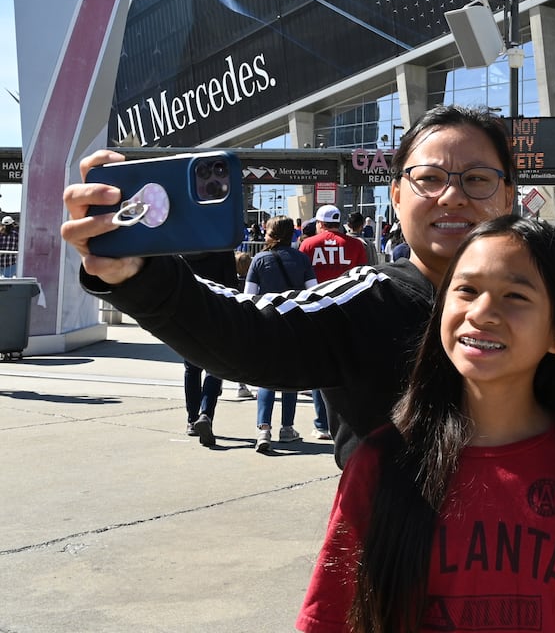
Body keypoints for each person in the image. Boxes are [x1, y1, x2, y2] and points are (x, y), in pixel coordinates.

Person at [61, 105, 516, 467]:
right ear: (396, 196)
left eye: (476, 179)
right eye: (429, 179)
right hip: (400, 572)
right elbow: (251, 335)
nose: (452, 195)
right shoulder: (366, 303)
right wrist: (138, 276)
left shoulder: (552, 305)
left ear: (508, 195)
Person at [295, 216, 555, 633]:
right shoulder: (381, 465)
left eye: (515, 296)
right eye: (466, 290)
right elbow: (330, 619)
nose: (483, 313)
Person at [243, 216, 319, 452]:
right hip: (294, 322)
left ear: (272, 234)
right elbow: (312, 292)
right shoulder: (302, 259)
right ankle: (287, 428)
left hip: (267, 322)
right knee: (290, 377)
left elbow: (248, 295)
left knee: (268, 376)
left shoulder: (259, 259)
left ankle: (263, 427)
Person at [180, 250, 240, 448]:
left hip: (188, 312)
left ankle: (191, 418)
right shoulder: (222, 250)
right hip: (216, 311)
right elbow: (231, 285)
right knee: (215, 368)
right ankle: (206, 414)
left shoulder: (183, 250)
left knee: (191, 368)